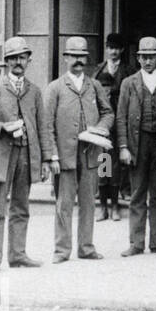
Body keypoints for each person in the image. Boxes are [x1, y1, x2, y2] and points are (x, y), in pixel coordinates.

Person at [0, 37, 52, 273]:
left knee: (21, 207)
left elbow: (42, 127)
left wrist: (46, 159)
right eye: (13, 57)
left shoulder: (34, 91)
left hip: (26, 154)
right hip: (0, 155)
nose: (18, 62)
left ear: (29, 60)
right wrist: (1, 127)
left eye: (22, 57)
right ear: (6, 61)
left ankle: (18, 255)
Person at [43, 35, 115, 263]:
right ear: (65, 58)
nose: (78, 61)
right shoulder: (55, 88)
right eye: (73, 56)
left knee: (88, 203)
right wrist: (51, 154)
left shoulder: (94, 86)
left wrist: (99, 130)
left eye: (82, 57)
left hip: (92, 155)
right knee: (63, 204)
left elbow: (108, 113)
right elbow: (46, 125)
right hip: (64, 156)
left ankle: (86, 247)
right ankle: (62, 250)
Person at [117, 36, 156, 256]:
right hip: (136, 144)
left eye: (151, 57)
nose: (147, 61)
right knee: (138, 193)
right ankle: (136, 243)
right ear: (138, 58)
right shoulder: (129, 83)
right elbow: (121, 117)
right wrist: (123, 146)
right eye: (143, 57)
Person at [93, 32, 129, 221]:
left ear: (121, 50)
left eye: (116, 48)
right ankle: (103, 207)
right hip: (102, 124)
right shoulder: (99, 70)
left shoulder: (127, 71)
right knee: (103, 162)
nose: (112, 52)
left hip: (119, 123)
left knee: (115, 166)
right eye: (109, 48)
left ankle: (115, 205)